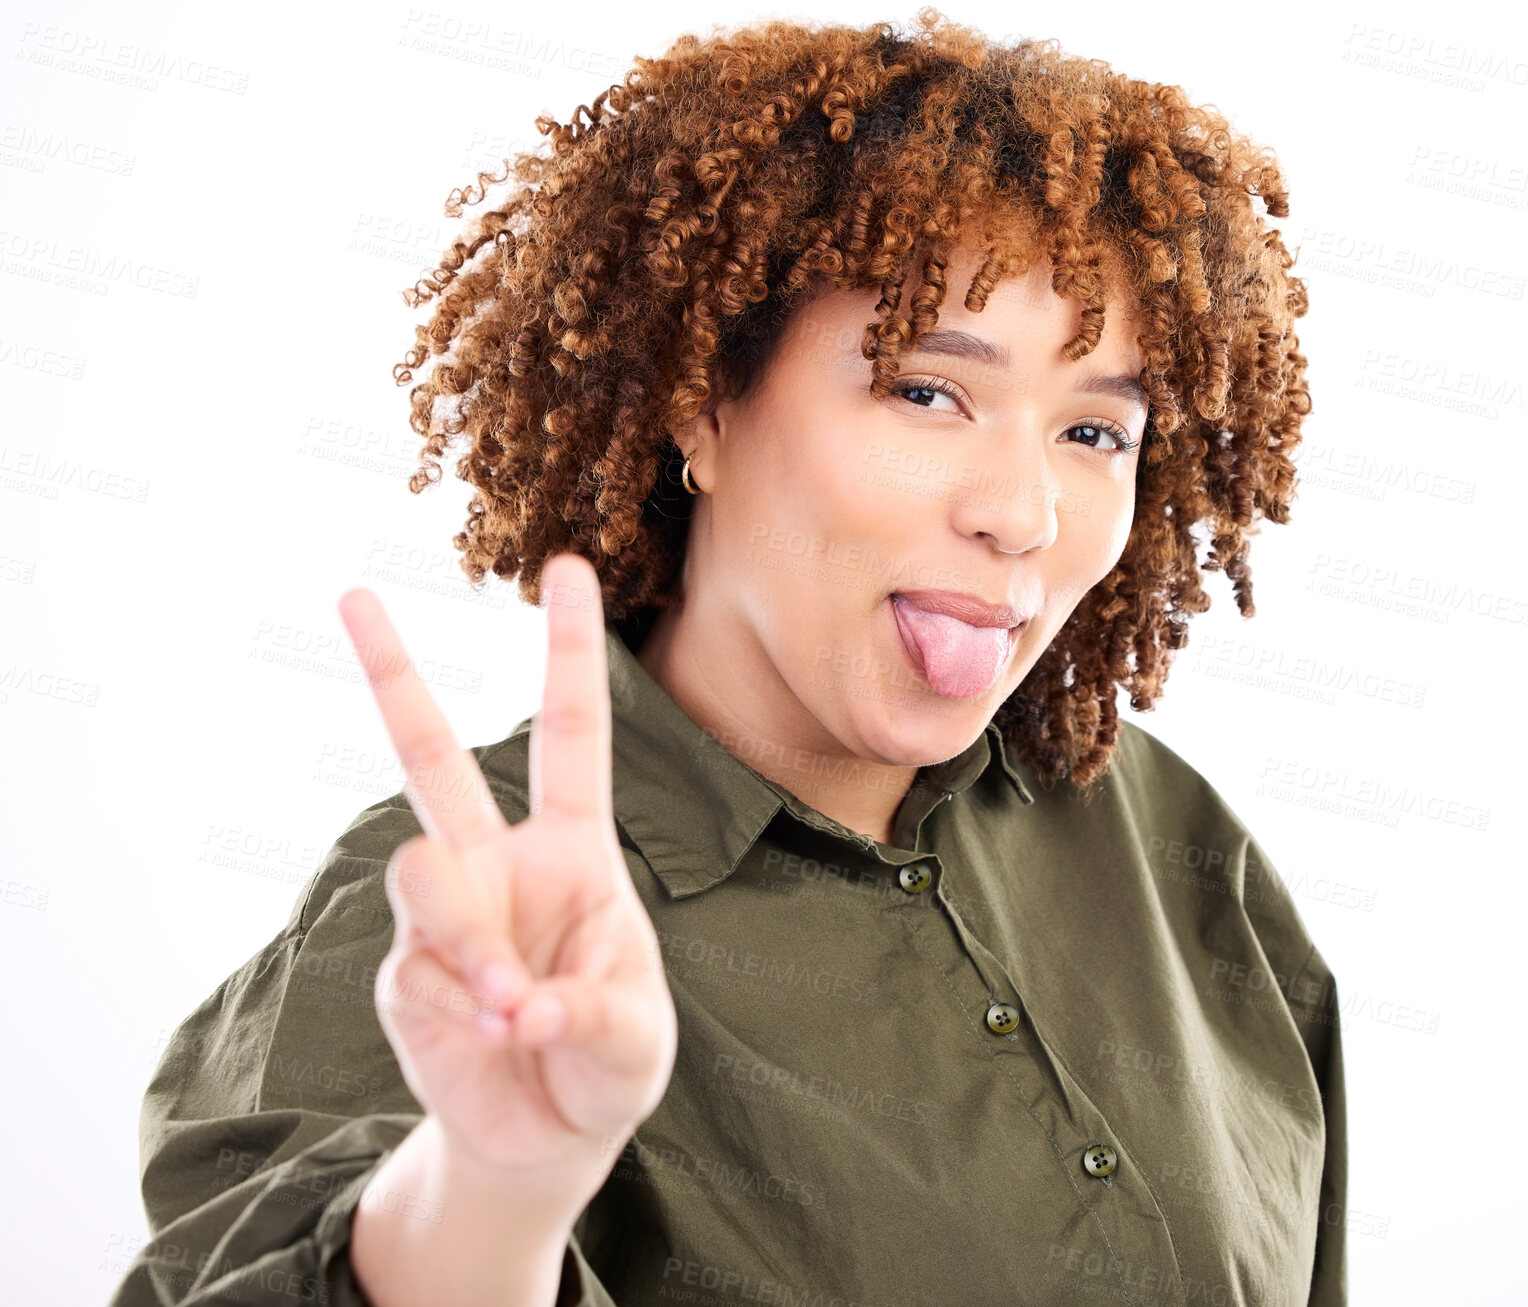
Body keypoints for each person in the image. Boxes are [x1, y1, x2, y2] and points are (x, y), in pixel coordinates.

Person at [109, 9, 1346, 1306]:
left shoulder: (1165, 845)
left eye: (1095, 434)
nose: (1026, 514)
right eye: (928, 391)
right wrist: (496, 1186)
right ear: (699, 403)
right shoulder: (469, 919)